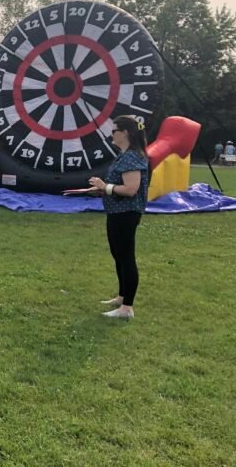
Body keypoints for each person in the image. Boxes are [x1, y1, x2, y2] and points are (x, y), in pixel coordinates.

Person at [87, 115, 149, 320]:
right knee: (118, 255)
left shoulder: (131, 157)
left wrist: (105, 187)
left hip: (126, 213)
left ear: (125, 133)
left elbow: (131, 189)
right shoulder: (125, 156)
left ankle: (127, 308)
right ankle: (122, 297)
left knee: (126, 257)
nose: (111, 134)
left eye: (114, 131)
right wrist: (103, 189)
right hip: (116, 212)